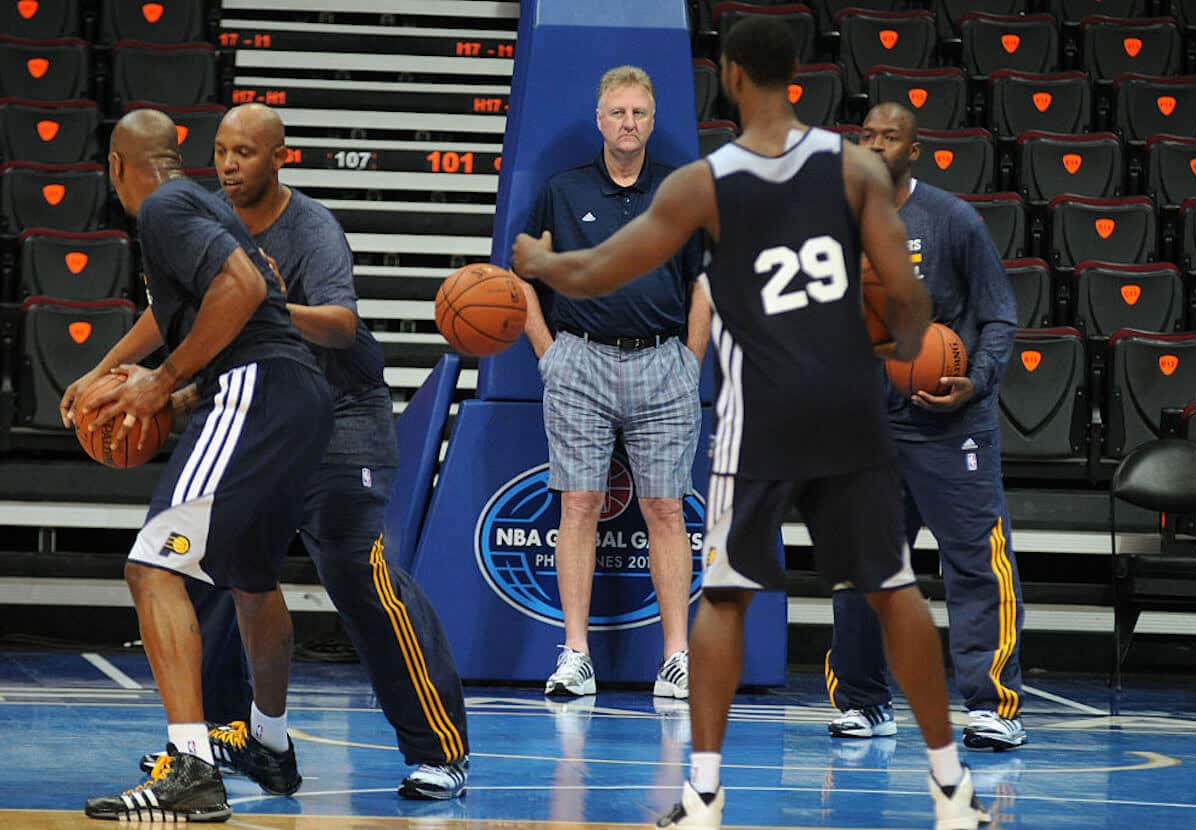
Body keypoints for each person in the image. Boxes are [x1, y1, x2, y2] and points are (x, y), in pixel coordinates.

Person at [514, 17, 991, 830]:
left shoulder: (704, 181)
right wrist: (902, 343)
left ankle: (702, 794)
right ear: (795, 78)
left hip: (763, 409)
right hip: (848, 403)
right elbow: (909, 304)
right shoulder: (854, 168)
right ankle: (951, 790)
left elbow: (597, 268)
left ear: (731, 77)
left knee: (726, 597)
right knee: (894, 588)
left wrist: (538, 264)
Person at [124, 103, 470, 799]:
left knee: (353, 571)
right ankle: (234, 738)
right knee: (214, 563)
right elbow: (181, 316)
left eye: (245, 152)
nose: (229, 164)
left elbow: (342, 326)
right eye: (220, 150)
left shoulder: (311, 229)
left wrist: (263, 309)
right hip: (261, 408)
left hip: (339, 413)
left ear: (281, 157)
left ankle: (440, 749)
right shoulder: (206, 214)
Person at [62, 108, 334, 822]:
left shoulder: (161, 207)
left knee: (151, 568)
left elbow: (241, 290)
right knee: (250, 578)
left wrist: (162, 379)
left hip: (254, 389)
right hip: (298, 396)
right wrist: (107, 367)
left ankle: (191, 768)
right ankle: (270, 744)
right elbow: (175, 307)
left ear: (118, 167)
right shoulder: (198, 205)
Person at [825, 102, 1025, 752]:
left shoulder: (953, 221)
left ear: (914, 152)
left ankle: (993, 706)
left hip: (950, 424)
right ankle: (863, 702)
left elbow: (1000, 315)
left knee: (974, 563)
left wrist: (978, 380)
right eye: (867, 136)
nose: (878, 146)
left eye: (892, 137)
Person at [517, 64, 711, 699]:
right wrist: (549, 354)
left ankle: (676, 657)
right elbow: (521, 276)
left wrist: (690, 358)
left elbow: (703, 283)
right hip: (580, 362)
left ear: (653, 122)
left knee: (665, 508)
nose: (629, 123)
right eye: (618, 113)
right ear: (600, 120)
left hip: (663, 363)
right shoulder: (561, 192)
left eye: (639, 114)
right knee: (577, 504)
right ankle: (576, 654)